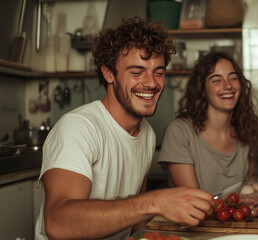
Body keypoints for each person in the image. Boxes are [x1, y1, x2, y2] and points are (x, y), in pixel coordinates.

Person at [35, 17, 214, 240]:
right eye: (137, 72)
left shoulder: (146, 133)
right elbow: (58, 223)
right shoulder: (79, 128)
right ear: (109, 73)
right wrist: (156, 202)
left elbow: (135, 219)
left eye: (158, 72)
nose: (151, 83)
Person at [158, 51, 258, 194]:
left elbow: (250, 180)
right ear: (202, 89)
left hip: (237, 216)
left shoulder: (248, 128)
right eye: (216, 80)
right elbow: (193, 200)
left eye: (233, 78)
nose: (228, 86)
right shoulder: (179, 132)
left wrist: (255, 190)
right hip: (196, 217)